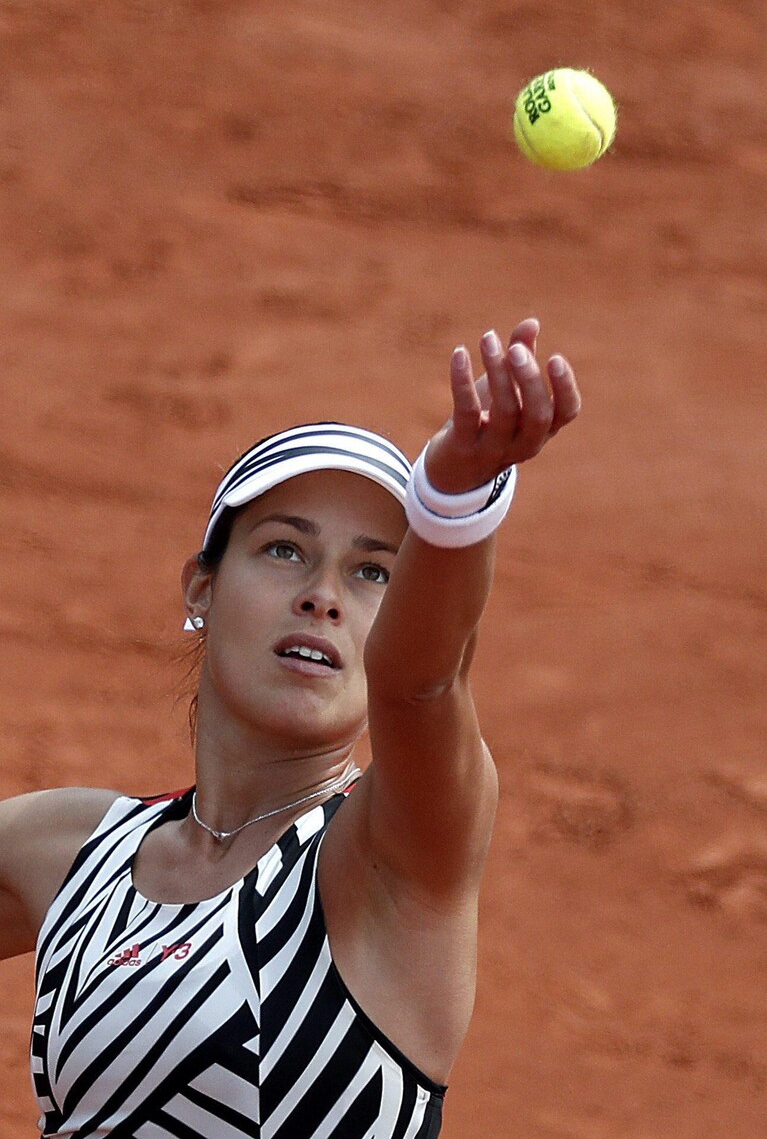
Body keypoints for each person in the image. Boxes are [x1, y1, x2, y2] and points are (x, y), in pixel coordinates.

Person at [0, 317, 580, 1138]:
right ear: (201, 589)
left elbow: (420, 685)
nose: (322, 595)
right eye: (283, 551)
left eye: (373, 571)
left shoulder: (390, 855)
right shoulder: (69, 851)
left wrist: (453, 499)